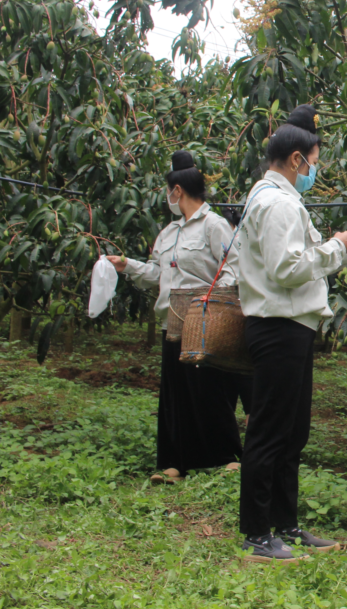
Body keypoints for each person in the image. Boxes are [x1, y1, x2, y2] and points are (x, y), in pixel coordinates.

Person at [235, 105, 347, 562]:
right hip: (277, 327)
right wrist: (337, 246)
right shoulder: (277, 203)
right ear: (297, 159)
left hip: (290, 326)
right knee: (270, 432)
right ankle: (257, 534)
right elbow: (288, 268)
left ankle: (285, 523)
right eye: (314, 162)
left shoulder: (277, 200)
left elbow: (297, 258)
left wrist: (342, 251)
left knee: (291, 433)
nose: (315, 170)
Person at [106, 151, 248, 484]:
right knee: (175, 395)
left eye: (169, 191)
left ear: (178, 190)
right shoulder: (169, 233)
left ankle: (227, 456)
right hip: (172, 322)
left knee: (209, 389)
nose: (168, 197)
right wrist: (128, 266)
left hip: (204, 321)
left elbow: (234, 266)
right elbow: (158, 273)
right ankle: (174, 463)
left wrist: (209, 301)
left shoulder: (214, 225)